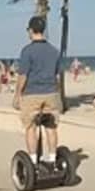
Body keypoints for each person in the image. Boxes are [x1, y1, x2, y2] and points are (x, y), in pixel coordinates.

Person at [12, 16, 62, 168]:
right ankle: (52, 159)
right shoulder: (54, 51)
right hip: (51, 93)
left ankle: (33, 161)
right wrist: (58, 95)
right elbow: (57, 76)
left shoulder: (27, 51)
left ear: (31, 30)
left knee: (30, 127)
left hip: (32, 94)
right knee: (51, 127)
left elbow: (23, 76)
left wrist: (17, 95)